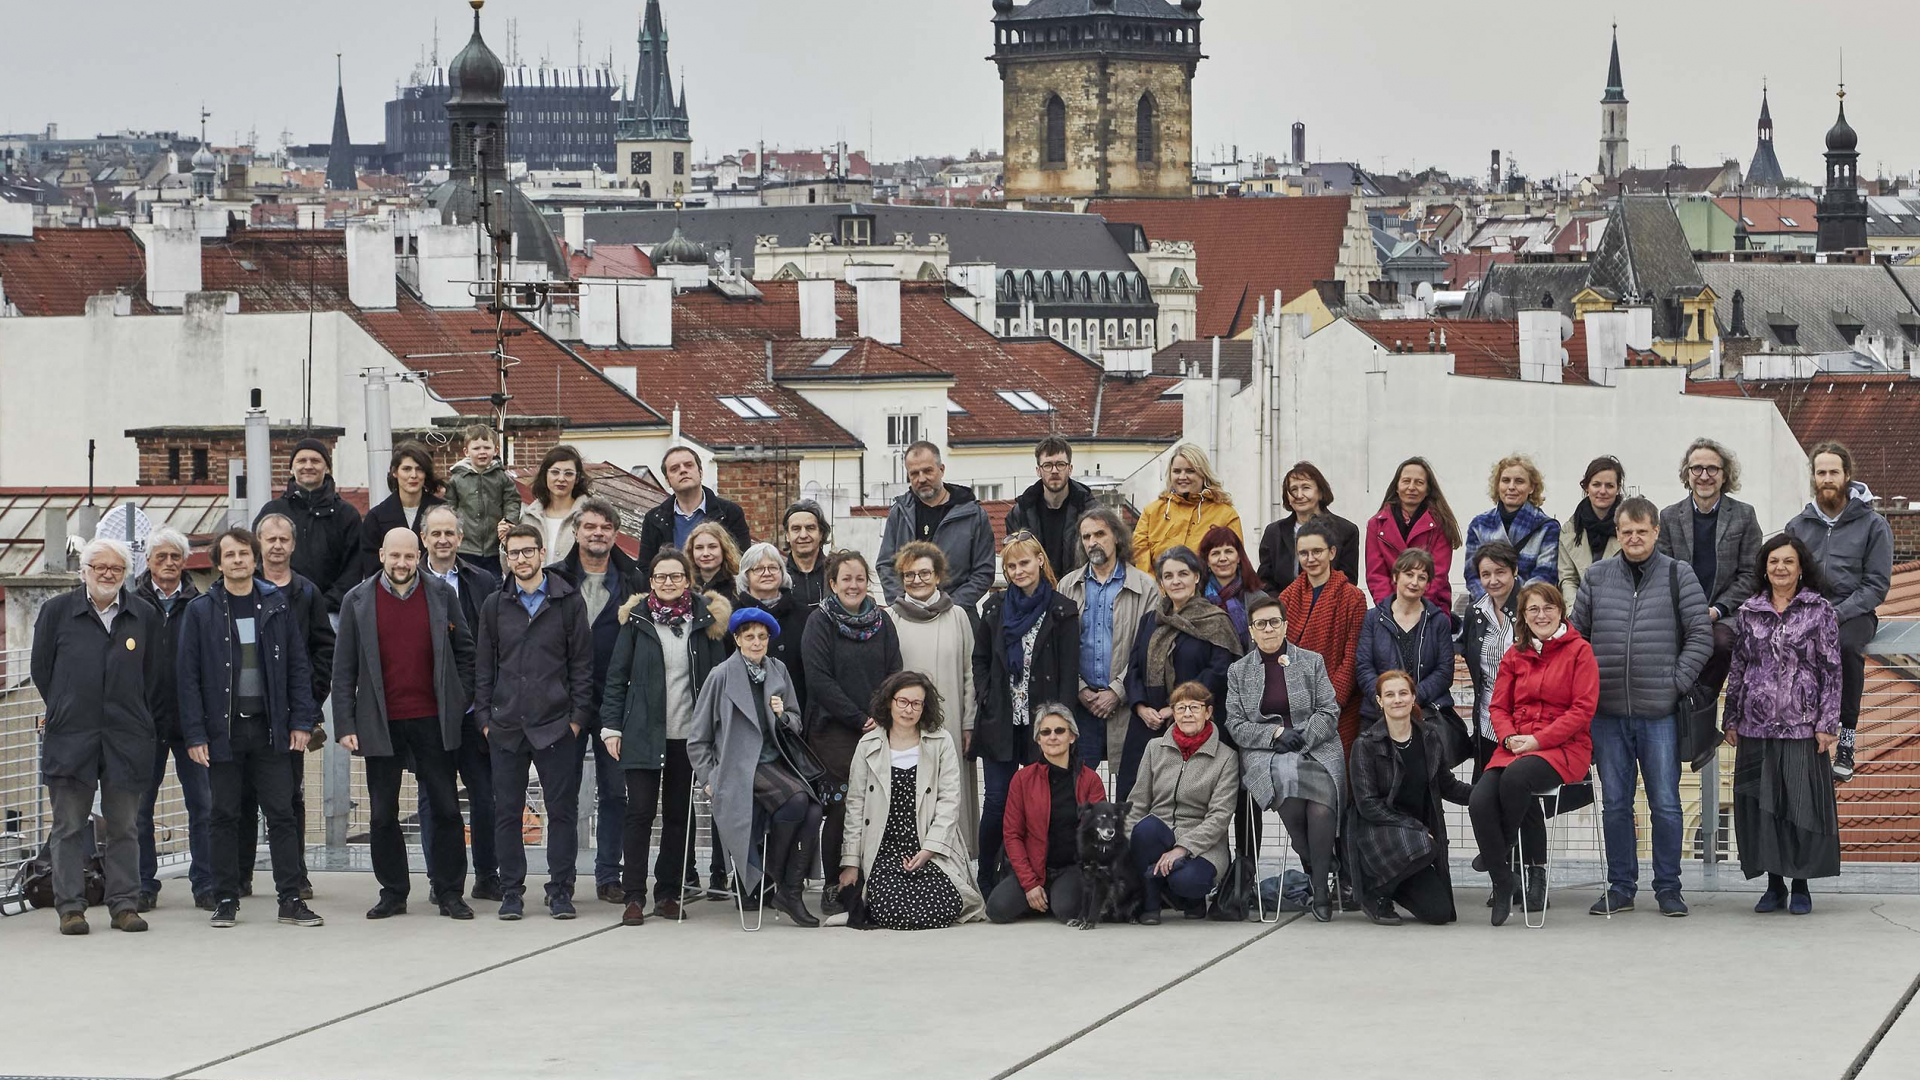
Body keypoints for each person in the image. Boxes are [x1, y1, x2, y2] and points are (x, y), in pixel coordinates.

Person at [1571, 496, 1712, 917]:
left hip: (1660, 713)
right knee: (1615, 803)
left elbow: (1701, 636)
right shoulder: (1596, 577)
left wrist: (1675, 683)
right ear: (1618, 534)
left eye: (1641, 531)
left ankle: (1669, 888)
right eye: (1626, 531)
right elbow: (1576, 638)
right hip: (1607, 713)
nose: (1634, 538)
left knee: (1665, 803)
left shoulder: (1677, 574)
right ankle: (1620, 887)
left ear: (1655, 532)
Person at [178, 528, 324, 929]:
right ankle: (226, 898)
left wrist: (301, 721)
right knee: (223, 815)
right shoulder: (201, 610)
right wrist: (194, 734)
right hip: (223, 732)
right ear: (218, 563)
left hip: (271, 729)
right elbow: (187, 677)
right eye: (230, 555)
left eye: (244, 553)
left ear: (255, 559)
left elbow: (298, 665)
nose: (238, 560)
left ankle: (290, 898)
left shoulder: (276, 604)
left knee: (281, 813)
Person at [331, 528, 476, 921]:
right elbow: (343, 669)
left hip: (433, 719)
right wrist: (344, 722)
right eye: (394, 556)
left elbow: (466, 651)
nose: (401, 563)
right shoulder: (357, 600)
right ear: (382, 555)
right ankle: (393, 892)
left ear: (419, 555)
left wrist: (458, 698)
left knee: (446, 808)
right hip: (380, 721)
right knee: (382, 813)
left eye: (409, 556)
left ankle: (449, 893)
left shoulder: (442, 595)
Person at [31, 538, 166, 935]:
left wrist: (136, 716)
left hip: (126, 737)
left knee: (125, 826)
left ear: (126, 574)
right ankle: (71, 908)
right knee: (68, 826)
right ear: (84, 571)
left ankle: (124, 905)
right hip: (71, 736)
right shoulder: (57, 612)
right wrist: (64, 708)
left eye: (117, 569)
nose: (108, 574)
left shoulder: (143, 614)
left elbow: (154, 678)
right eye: (100, 567)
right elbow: (43, 670)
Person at [599, 548, 730, 923]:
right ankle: (634, 897)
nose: (668, 583)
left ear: (688, 580)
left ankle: (669, 893)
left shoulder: (704, 623)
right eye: (660, 577)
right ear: (651, 581)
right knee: (639, 813)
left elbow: (719, 680)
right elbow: (615, 677)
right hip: (641, 733)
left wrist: (717, 731)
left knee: (677, 816)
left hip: (688, 738)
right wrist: (611, 726)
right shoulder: (637, 621)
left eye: (675, 576)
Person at [473, 524, 595, 920]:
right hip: (505, 726)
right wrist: (485, 719)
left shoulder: (568, 601)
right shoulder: (494, 604)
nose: (521, 559)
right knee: (506, 812)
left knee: (561, 812)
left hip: (556, 725)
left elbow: (582, 665)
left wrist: (577, 719)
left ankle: (560, 889)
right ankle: (511, 891)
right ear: (506, 558)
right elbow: (484, 667)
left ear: (542, 554)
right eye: (513, 553)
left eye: (528, 551)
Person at [1725, 534, 1844, 914]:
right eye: (1773, 561)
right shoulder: (1749, 611)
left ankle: (1801, 885)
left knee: (1799, 807)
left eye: (1788, 561)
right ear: (1764, 566)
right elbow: (1739, 667)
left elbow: (1832, 669)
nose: (1780, 568)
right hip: (1755, 727)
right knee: (1764, 808)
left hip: (1801, 726)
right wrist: (1731, 717)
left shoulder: (1819, 610)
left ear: (1800, 567)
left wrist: (1827, 722)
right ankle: (1773, 886)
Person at [1472, 581, 1599, 926]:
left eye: (1548, 608)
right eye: (1533, 609)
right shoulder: (1515, 654)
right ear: (1524, 617)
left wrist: (1538, 741)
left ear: (1560, 611)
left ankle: (1500, 845)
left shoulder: (1580, 651)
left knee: (1516, 779)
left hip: (1563, 747)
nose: (1541, 615)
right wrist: (1511, 736)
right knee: (1479, 799)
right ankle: (1503, 880)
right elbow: (1498, 706)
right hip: (1516, 746)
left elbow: (1582, 710)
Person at [687, 608, 824, 926]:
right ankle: (774, 881)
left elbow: (796, 722)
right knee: (798, 800)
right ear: (736, 639)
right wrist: (709, 778)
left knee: (814, 810)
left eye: (762, 637)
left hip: (775, 762)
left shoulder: (778, 671)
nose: (756, 642)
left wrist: (783, 716)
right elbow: (697, 738)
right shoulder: (720, 675)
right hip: (736, 768)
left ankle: (787, 890)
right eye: (749, 636)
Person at [546, 497, 650, 904]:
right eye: (589, 527)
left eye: (605, 528)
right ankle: (563, 880)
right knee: (562, 793)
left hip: (616, 702)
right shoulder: (554, 578)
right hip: (563, 702)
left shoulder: (635, 581)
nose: (597, 534)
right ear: (576, 531)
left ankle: (609, 875)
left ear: (615, 533)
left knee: (614, 793)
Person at [1224, 594, 1345, 922]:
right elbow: (1235, 724)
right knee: (1286, 784)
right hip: (1266, 753)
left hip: (1316, 747)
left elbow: (1329, 710)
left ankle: (1319, 885)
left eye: (1274, 622)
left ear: (1285, 625)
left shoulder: (1311, 661)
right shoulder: (1238, 671)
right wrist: (1275, 735)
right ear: (1251, 630)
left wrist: (1303, 737)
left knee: (1321, 803)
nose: (1268, 629)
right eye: (1260, 624)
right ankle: (1316, 861)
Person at [972, 532, 1080, 892]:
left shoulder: (1062, 609)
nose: (1019, 571)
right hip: (1002, 719)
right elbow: (982, 659)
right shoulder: (994, 608)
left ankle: (1044, 876)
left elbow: (1068, 669)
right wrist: (986, 694)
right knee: (997, 801)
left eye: (1024, 562)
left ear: (1040, 562)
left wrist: (1061, 722)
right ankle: (986, 874)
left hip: (1043, 724)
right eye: (1011, 565)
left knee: (1044, 804)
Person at [838, 672, 987, 929]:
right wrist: (850, 862)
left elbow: (949, 801)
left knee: (941, 905)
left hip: (931, 849)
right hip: (885, 851)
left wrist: (929, 849)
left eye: (916, 703)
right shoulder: (868, 745)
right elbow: (855, 806)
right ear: (889, 702)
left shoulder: (941, 742)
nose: (909, 709)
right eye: (903, 702)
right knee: (892, 910)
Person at [1783, 441, 1892, 784]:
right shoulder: (1798, 525)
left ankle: (1845, 738)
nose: (1827, 478)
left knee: (1845, 648)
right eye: (1821, 472)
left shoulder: (1873, 525)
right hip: (1809, 608)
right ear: (1813, 477)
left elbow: (1876, 585)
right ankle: (1798, 732)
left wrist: (1837, 612)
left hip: (1855, 611)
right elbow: (1786, 575)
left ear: (1847, 476)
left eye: (1833, 472)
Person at [802, 550, 903, 918]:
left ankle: (872, 881)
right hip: (833, 732)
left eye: (860, 578)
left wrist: (880, 717)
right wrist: (858, 717)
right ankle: (834, 884)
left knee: (877, 806)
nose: (853, 585)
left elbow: (895, 672)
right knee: (845, 807)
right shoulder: (820, 621)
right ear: (832, 583)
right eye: (846, 579)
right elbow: (818, 679)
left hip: (878, 728)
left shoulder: (883, 623)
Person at [244, 513, 336, 901]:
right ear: (258, 544)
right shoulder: (242, 590)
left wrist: (309, 702)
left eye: (284, 539)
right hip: (248, 711)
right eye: (270, 539)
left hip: (291, 716)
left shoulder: (307, 593)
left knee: (290, 798)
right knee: (242, 797)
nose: (277, 546)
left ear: (293, 545)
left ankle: (296, 875)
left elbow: (323, 649)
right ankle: (238, 875)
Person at [1657, 437, 1764, 767]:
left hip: (1726, 612)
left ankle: (1699, 711)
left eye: (1712, 468)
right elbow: (1663, 570)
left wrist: (1716, 610)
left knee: (1718, 642)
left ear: (1724, 474)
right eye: (1697, 468)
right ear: (1687, 474)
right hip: (1680, 611)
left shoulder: (1744, 516)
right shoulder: (1670, 516)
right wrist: (1689, 610)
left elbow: (1750, 574)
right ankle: (1690, 726)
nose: (1704, 475)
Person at [418, 505, 504, 900]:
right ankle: (442, 879)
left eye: (449, 533)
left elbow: (494, 642)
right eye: (435, 533)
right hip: (426, 712)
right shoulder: (407, 581)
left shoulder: (483, 581)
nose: (442, 540)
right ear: (424, 539)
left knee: (485, 796)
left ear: (460, 539)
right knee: (435, 800)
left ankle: (488, 875)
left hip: (474, 709)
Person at [1345, 671, 1475, 926]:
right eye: (1390, 695)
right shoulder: (1366, 744)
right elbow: (1367, 805)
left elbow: (1447, 785)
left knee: (1440, 913)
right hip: (1377, 833)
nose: (1397, 700)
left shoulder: (1429, 737)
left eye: (1403, 693)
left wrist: (1484, 795)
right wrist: (1417, 828)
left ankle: (1393, 884)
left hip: (1414, 844)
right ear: (1380, 701)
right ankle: (1375, 893)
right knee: (1426, 845)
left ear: (1413, 697)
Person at [132, 527, 211, 912]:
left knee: (204, 805)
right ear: (148, 562)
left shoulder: (201, 603)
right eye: (160, 557)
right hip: (144, 724)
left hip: (192, 723)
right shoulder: (131, 604)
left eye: (174, 557)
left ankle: (206, 883)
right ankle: (144, 884)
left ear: (185, 562)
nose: (167, 564)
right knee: (139, 809)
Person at [1120, 547, 1241, 798]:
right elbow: (1133, 669)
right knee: (1136, 800)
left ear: (1196, 577)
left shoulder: (1215, 620)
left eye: (1183, 574)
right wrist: (1141, 707)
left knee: (1187, 803)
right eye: (1168, 576)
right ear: (1161, 582)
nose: (1176, 581)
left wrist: (1175, 708)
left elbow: (1219, 671)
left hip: (1192, 722)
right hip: (1148, 722)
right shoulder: (1151, 621)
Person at [884, 541, 979, 853]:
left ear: (938, 576)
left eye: (924, 573)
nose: (917, 580)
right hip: (907, 727)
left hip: (951, 722)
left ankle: (958, 860)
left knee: (952, 792)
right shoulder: (892, 619)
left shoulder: (958, 617)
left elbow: (969, 673)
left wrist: (968, 724)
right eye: (909, 575)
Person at [1125, 681, 1239, 924]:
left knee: (1187, 881)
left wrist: (1182, 849)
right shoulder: (1154, 748)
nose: (1187, 713)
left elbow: (1219, 817)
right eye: (1180, 707)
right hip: (1158, 833)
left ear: (1208, 712)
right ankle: (1150, 904)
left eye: (1195, 707)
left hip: (1203, 844)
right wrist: (1127, 843)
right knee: (1145, 828)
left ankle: (1188, 897)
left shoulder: (1226, 757)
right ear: (1173, 713)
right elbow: (1137, 802)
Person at [985, 704, 1107, 924]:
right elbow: (1012, 835)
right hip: (1032, 867)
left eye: (1059, 731)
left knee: (1066, 910)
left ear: (1072, 737)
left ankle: (1056, 896)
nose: (1053, 737)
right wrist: (1029, 883)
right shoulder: (1022, 780)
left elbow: (1098, 834)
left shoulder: (1090, 780)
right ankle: (1041, 896)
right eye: (1045, 732)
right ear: (1038, 740)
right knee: (997, 910)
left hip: (1071, 867)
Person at [1058, 507, 1159, 770]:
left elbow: (1150, 648)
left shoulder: (1146, 587)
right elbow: (1058, 646)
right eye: (1086, 536)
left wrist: (1118, 691)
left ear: (1116, 536)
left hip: (1129, 706)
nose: (1093, 542)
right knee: (1082, 794)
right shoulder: (1067, 586)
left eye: (1100, 534)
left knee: (1131, 795)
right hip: (1082, 707)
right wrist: (1080, 689)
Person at [1275, 520, 1368, 753]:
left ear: (1332, 552)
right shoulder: (1287, 598)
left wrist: (1331, 704)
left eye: (1317, 551)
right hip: (1296, 704)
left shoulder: (1352, 597)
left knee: (1338, 772)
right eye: (1304, 553)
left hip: (1340, 706)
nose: (1311, 558)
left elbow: (1352, 655)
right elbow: (1280, 652)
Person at [876, 441, 995, 606]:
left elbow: (983, 572)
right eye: (914, 474)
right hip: (908, 615)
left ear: (942, 469)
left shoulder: (973, 515)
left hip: (957, 614)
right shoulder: (899, 513)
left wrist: (949, 605)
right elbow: (886, 565)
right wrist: (904, 605)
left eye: (927, 471)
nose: (921, 479)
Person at [1354, 549, 1457, 739]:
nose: (1414, 582)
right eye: (1409, 574)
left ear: (1427, 584)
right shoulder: (1373, 618)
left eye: (1422, 577)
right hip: (1378, 713)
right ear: (1395, 576)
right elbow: (1363, 666)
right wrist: (1387, 699)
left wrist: (1410, 699)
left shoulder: (1439, 621)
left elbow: (1444, 671)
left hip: (1425, 713)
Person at [256, 437, 363, 613]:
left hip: (332, 613)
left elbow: (354, 568)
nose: (308, 466)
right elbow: (258, 561)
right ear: (292, 467)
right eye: (301, 460)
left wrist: (324, 603)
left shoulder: (346, 515)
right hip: (279, 609)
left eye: (315, 461)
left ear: (327, 467)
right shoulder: (272, 511)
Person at [1131, 442, 1243, 573]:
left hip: (1208, 592)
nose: (1182, 477)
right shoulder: (1151, 512)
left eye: (1190, 471)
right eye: (1177, 471)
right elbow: (1140, 561)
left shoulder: (1226, 515)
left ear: (1203, 474)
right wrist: (1159, 590)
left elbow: (1233, 562)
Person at [1364, 456, 1459, 610]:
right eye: (1406, 481)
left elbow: (1438, 575)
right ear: (1396, 486)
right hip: (1389, 609)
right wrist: (1393, 608)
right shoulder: (1376, 525)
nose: (1412, 487)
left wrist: (1415, 608)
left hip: (1432, 607)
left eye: (1419, 482)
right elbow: (1376, 575)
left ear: (1428, 489)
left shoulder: (1441, 524)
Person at [1464, 453, 1559, 602]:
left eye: (1519, 481)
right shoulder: (1479, 525)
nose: (1511, 487)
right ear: (1498, 485)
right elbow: (1472, 574)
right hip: (1485, 610)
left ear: (1531, 487)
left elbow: (1545, 575)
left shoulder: (1547, 528)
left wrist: (1516, 606)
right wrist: (1490, 606)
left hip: (1527, 611)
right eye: (1505, 481)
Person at [638, 446, 753, 568]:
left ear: (701, 472)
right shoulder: (654, 519)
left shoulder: (730, 513)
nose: (683, 471)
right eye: (674, 469)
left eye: (688, 465)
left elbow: (743, 563)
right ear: (668, 481)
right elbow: (646, 569)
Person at [1257, 461, 1361, 594]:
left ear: (1320, 492)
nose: (1299, 495)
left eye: (1306, 488)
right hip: (1283, 610)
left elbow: (1348, 581)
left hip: (1331, 609)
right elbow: (1264, 581)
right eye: (1294, 489)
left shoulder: (1346, 530)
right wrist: (1281, 608)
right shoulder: (1274, 532)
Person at [1004, 436, 1093, 578]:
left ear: (1070, 469)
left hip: (1080, 592)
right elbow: (1013, 562)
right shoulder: (1020, 513)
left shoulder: (1090, 511)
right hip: (1035, 595)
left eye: (1060, 464)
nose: (1054, 471)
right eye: (1048, 465)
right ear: (1038, 470)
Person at [735, 542, 811, 708]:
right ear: (746, 575)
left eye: (773, 567)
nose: (767, 573)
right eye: (758, 569)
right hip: (749, 708)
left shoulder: (804, 615)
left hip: (795, 706)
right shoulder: (734, 615)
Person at [359, 441, 445, 579]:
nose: (414, 475)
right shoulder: (376, 517)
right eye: (406, 469)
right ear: (395, 472)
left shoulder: (443, 512)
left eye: (419, 469)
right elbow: (371, 569)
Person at [443, 425, 521, 561]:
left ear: (495, 450)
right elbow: (449, 505)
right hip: (466, 545)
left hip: (494, 545)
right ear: (466, 452)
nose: (482, 452)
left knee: (494, 581)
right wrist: (453, 528)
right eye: (476, 448)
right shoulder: (457, 478)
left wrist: (509, 520)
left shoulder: (501, 477)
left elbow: (512, 500)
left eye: (487, 448)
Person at [1558, 455, 1625, 608]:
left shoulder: (1630, 528)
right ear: (1586, 487)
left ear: (1618, 489)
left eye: (1609, 485)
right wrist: (1575, 614)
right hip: (1581, 612)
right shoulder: (1570, 530)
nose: (1603, 491)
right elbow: (1568, 579)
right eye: (1596, 484)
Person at [505, 444, 590, 564]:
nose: (561, 479)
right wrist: (505, 543)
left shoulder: (589, 517)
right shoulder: (529, 518)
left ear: (577, 479)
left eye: (569, 473)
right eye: (555, 472)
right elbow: (512, 569)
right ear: (545, 475)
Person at [1197, 524, 1258, 645]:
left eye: (1229, 551)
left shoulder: (1258, 598)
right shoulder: (1197, 598)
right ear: (1207, 561)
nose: (1223, 558)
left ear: (1239, 557)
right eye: (1215, 553)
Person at [781, 499, 831, 611]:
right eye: (796, 529)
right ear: (787, 536)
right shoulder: (777, 575)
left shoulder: (836, 572)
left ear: (821, 533)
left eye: (810, 528)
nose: (803, 535)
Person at [686, 520, 742, 599]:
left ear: (723, 549)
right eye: (699, 548)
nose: (705, 553)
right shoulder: (685, 585)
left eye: (712, 547)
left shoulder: (738, 585)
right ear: (691, 551)